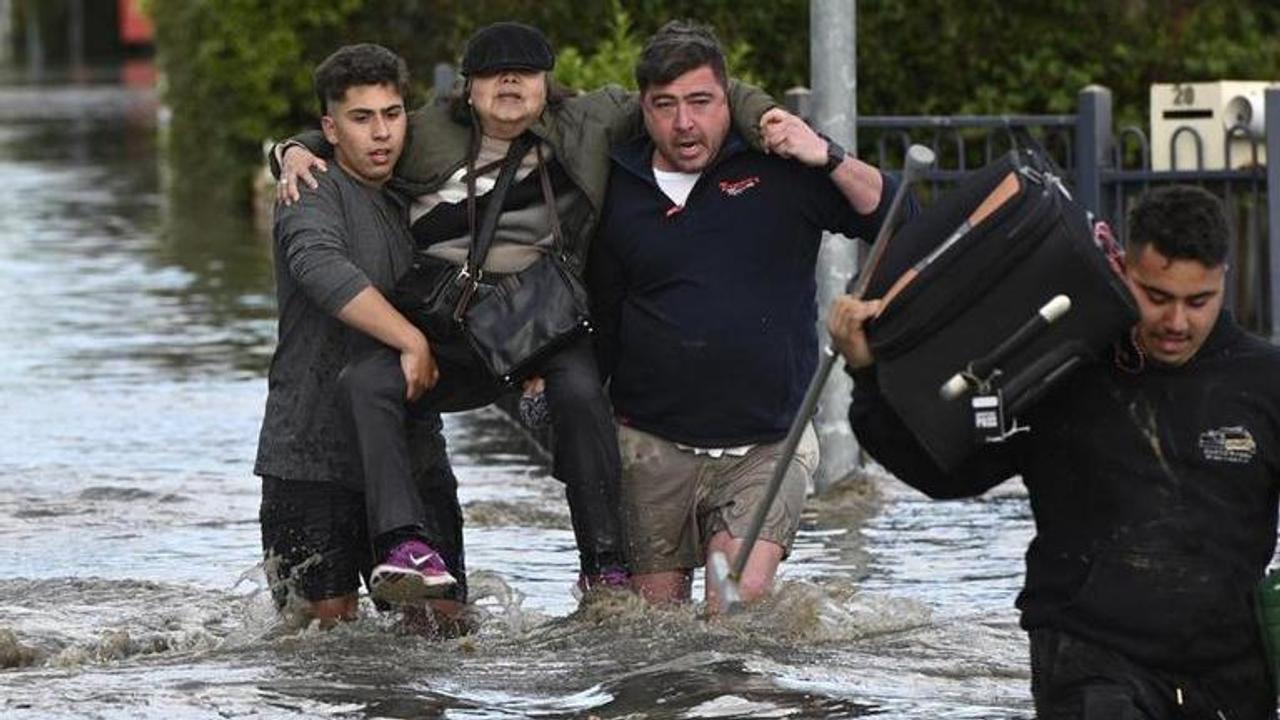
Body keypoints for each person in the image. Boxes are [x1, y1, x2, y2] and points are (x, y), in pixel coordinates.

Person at [274, 22, 781, 600]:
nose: (509, 82)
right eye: (493, 73)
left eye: (525, 72)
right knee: (365, 379)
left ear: (547, 85)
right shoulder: (421, 131)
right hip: (447, 323)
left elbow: (699, 89)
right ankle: (401, 542)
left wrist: (767, 118)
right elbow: (353, 130)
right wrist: (289, 151)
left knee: (582, 392)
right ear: (468, 88)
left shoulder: (588, 120)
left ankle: (603, 562)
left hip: (537, 320)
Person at [833, 185, 1280, 719]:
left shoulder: (1265, 381)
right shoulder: (1062, 362)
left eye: (1198, 301)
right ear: (1123, 268)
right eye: (1156, 297)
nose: (1177, 322)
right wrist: (866, 377)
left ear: (1223, 279)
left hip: (1228, 672)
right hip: (1089, 657)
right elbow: (948, 473)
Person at [587, 20, 901, 612]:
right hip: (651, 445)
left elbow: (893, 213)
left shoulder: (781, 170)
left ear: (728, 100)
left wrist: (826, 154)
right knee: (654, 633)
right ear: (644, 111)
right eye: (666, 106)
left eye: (701, 103)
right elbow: (601, 311)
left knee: (736, 604)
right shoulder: (615, 183)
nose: (684, 123)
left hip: (767, 443)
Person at [255, 43, 465, 629]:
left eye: (392, 115)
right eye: (361, 118)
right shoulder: (309, 188)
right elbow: (320, 268)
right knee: (322, 640)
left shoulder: (418, 188)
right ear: (330, 127)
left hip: (412, 446)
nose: (381, 134)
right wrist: (411, 341)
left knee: (445, 625)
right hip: (310, 454)